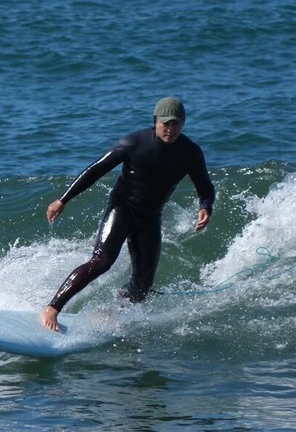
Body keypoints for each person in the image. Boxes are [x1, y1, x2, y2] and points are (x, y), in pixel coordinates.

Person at [40, 97, 215, 332]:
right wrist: (63, 199)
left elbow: (205, 186)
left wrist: (206, 206)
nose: (171, 129)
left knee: (143, 283)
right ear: (155, 122)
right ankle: (52, 308)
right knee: (102, 261)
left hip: (150, 217)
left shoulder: (190, 152)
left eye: (176, 124)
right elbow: (95, 170)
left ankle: (110, 312)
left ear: (183, 124)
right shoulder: (134, 143)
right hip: (122, 208)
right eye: (166, 124)